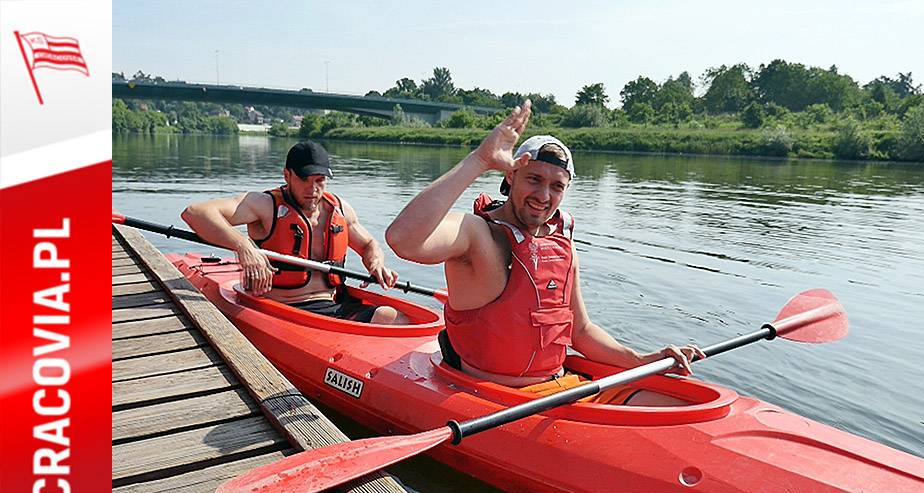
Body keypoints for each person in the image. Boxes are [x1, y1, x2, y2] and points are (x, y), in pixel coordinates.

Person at [386, 100, 703, 391]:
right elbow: (403, 239)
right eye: (534, 179)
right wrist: (480, 160)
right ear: (511, 176)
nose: (543, 196)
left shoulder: (561, 242)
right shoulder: (476, 233)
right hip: (488, 399)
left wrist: (644, 361)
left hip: (555, 388)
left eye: (556, 186)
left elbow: (581, 332)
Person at [182, 141, 404, 324]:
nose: (313, 189)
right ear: (287, 175)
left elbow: (368, 245)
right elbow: (195, 213)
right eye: (304, 180)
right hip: (284, 310)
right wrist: (243, 245)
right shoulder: (264, 205)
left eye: (319, 181)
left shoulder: (339, 209)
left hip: (336, 305)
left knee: (398, 319)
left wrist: (376, 264)